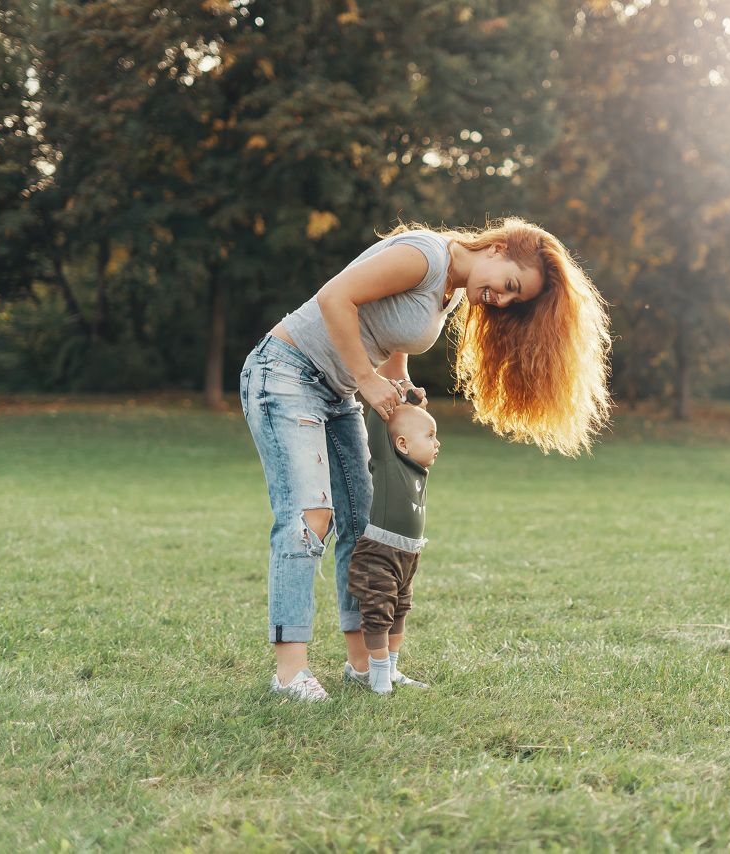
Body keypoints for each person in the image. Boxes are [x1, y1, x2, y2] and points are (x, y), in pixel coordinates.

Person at [239, 217, 611, 701]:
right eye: (511, 285)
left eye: (515, 300)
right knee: (311, 517)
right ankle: (290, 673)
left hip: (336, 390)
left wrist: (397, 382)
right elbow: (335, 297)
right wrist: (367, 380)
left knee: (364, 526)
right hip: (285, 373)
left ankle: (363, 665)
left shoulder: (452, 289)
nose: (503, 298)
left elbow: (389, 337)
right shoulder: (425, 256)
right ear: (497, 248)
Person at [344, 399, 437, 694]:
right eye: (431, 435)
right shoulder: (387, 463)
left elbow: (408, 422)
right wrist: (383, 402)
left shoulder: (417, 470)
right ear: (402, 443)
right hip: (380, 554)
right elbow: (378, 428)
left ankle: (392, 668)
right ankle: (379, 674)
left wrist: (413, 403)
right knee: (378, 612)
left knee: (399, 610)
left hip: (408, 556)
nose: (438, 442)